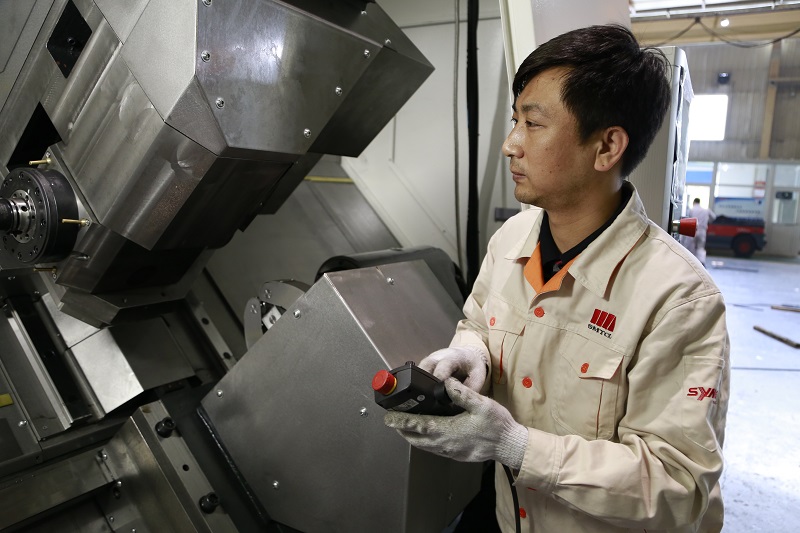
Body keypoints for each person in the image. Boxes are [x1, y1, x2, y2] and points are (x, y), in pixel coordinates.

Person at [384, 24, 730, 533]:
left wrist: (516, 447)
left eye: (533, 123)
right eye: (514, 121)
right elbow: (478, 322)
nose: (510, 144)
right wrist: (472, 353)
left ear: (606, 147)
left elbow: (677, 486)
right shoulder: (512, 239)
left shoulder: (680, 299)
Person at [685, 198, 717, 265]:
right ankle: (701, 263)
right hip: (702, 231)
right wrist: (708, 221)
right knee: (700, 247)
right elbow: (714, 217)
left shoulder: (692, 210)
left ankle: (692, 263)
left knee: (692, 247)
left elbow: (687, 219)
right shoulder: (706, 210)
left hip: (693, 230)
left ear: (694, 202)